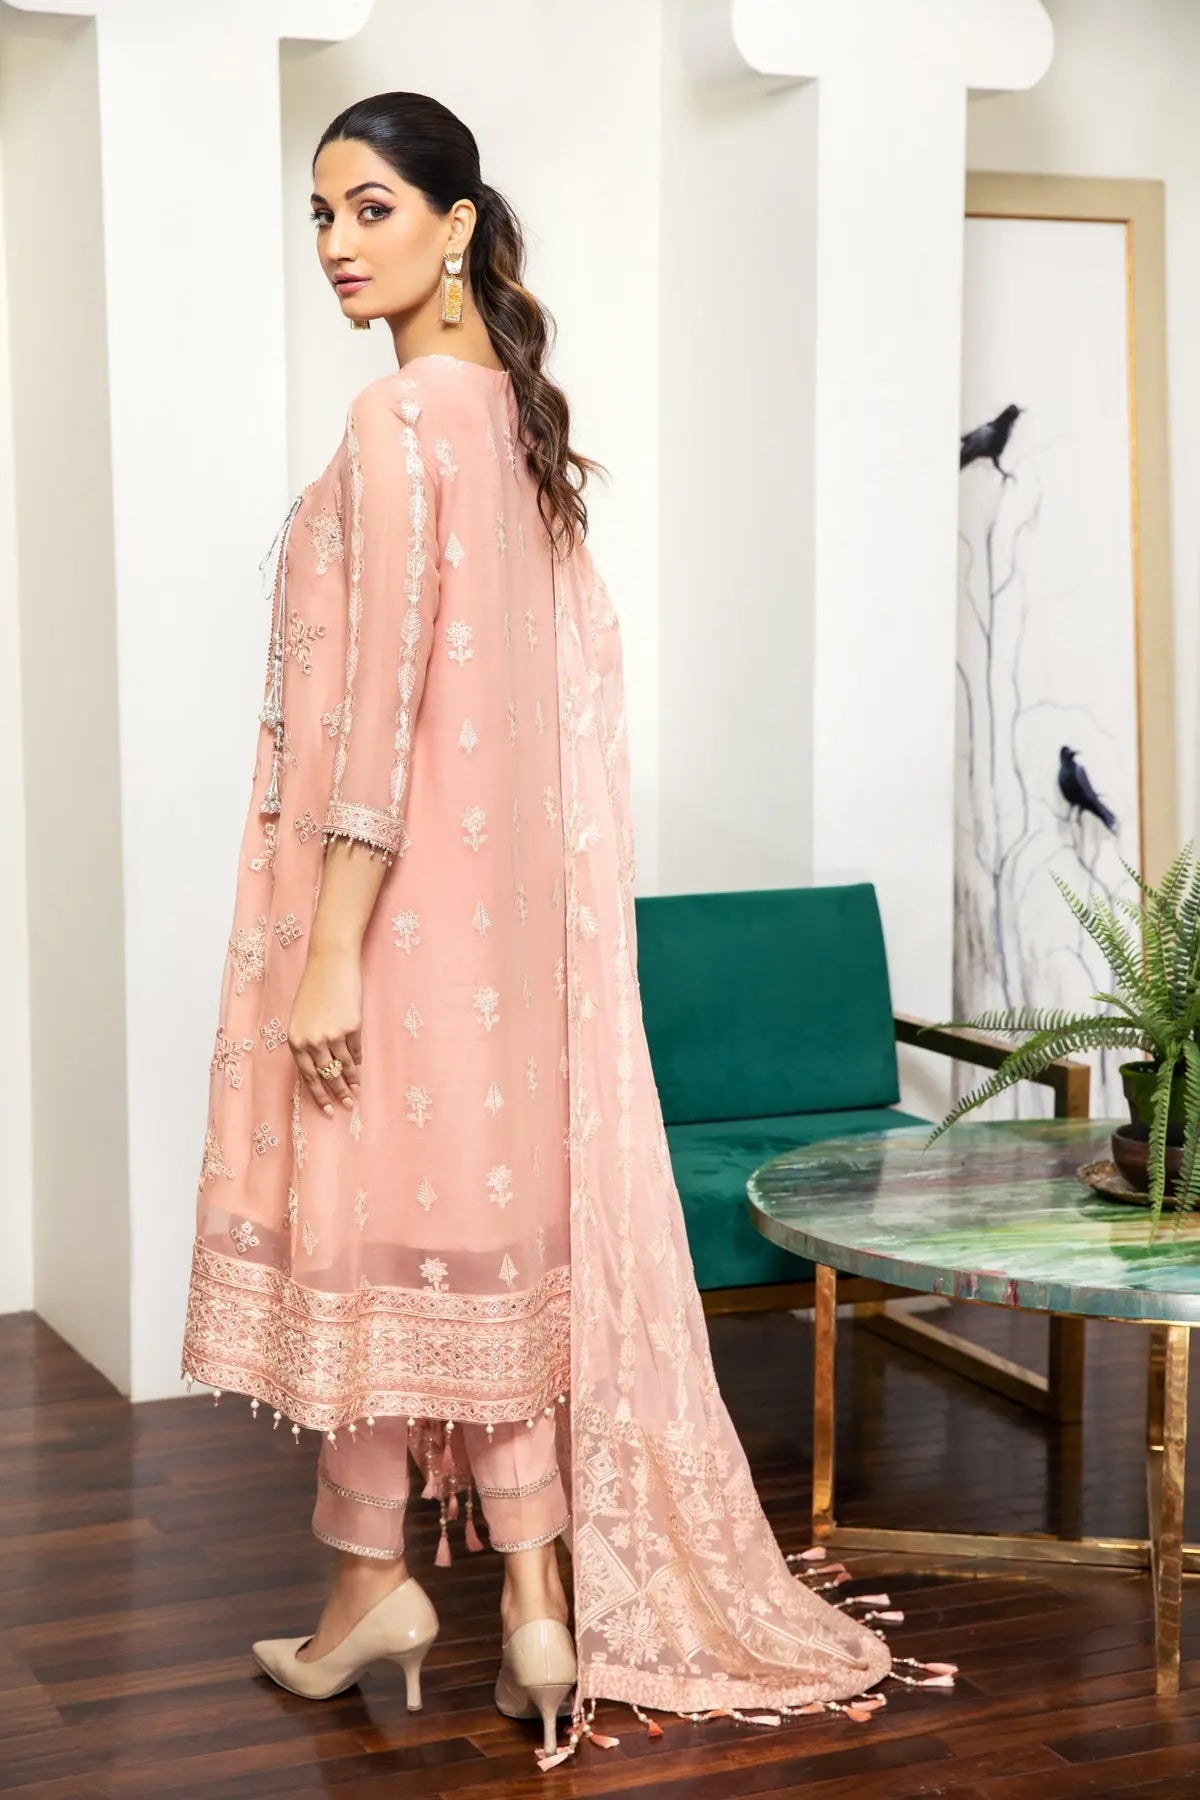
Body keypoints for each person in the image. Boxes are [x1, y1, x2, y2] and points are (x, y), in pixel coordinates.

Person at [180, 91, 908, 1772]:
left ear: (455, 225)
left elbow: (377, 716)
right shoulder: (511, 428)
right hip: (505, 947)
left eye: (370, 209)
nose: (336, 246)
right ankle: (526, 1607)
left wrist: (333, 947)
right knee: (467, 1262)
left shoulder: (397, 421)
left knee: (376, 1249)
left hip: (389, 921)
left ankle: (376, 1591)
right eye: (320, 216)